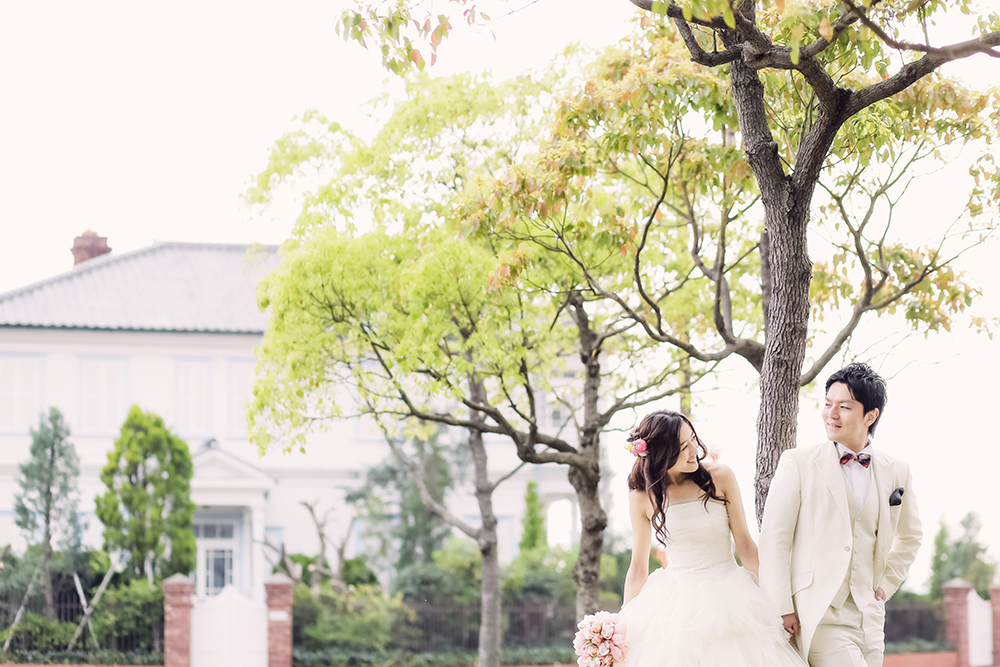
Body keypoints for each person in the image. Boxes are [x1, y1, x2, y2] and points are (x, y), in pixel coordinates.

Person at [759, 362, 923, 667]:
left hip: (870, 617)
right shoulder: (798, 463)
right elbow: (774, 539)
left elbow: (911, 536)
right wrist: (781, 606)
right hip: (819, 613)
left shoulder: (897, 470)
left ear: (870, 415)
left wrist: (885, 586)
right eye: (827, 404)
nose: (831, 414)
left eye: (844, 407)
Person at [617, 410, 807, 667]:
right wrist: (621, 626)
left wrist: (779, 604)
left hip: (732, 595)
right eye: (683, 447)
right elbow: (638, 568)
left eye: (693, 439)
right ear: (661, 453)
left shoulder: (721, 476)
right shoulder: (641, 498)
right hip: (675, 605)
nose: (694, 450)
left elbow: (747, 547)